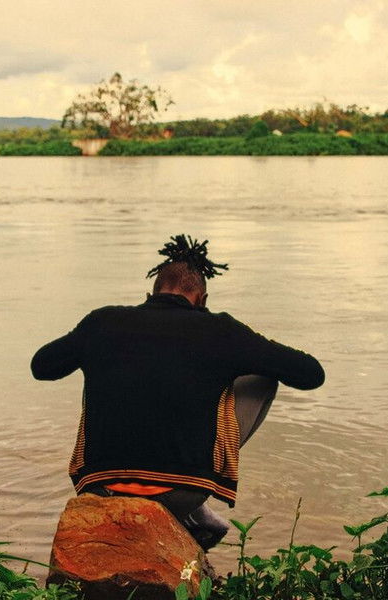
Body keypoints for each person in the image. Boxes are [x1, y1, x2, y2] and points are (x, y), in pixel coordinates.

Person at [31, 234, 325, 550]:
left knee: (105, 370)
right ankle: (192, 510)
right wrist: (246, 352)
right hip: (182, 493)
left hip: (102, 487)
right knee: (265, 376)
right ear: (202, 299)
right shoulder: (221, 330)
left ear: (150, 294)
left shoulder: (101, 322)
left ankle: (180, 509)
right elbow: (311, 374)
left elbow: (42, 367)